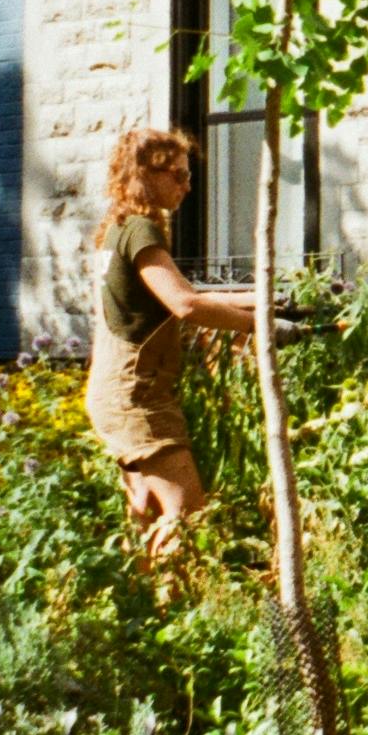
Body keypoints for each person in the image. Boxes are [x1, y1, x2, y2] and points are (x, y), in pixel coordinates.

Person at [86, 126, 308, 563]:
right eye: (179, 176)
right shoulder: (142, 231)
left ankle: (155, 615)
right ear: (145, 175)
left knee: (148, 516)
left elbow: (184, 293)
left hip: (115, 392)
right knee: (186, 515)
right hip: (137, 395)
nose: (188, 187)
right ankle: (187, 613)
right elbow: (185, 305)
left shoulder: (119, 229)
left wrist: (267, 300)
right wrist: (262, 328)